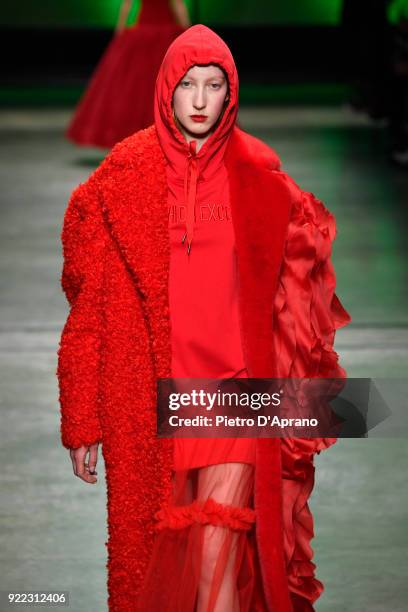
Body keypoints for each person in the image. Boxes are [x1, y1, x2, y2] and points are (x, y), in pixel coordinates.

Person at [57, 24, 352, 612]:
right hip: (150, 399)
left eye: (212, 85)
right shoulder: (123, 178)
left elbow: (301, 289)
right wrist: (81, 419)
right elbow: (89, 310)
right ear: (166, 89)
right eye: (187, 84)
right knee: (159, 556)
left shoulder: (260, 175)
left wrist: (307, 398)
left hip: (236, 393)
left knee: (216, 555)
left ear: (230, 92)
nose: (198, 100)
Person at [66, 0, 190, 149]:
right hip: (164, 34)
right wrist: (187, 31)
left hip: (144, 31)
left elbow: (127, 4)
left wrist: (120, 29)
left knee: (135, 88)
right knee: (165, 85)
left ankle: (137, 141)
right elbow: (178, 5)